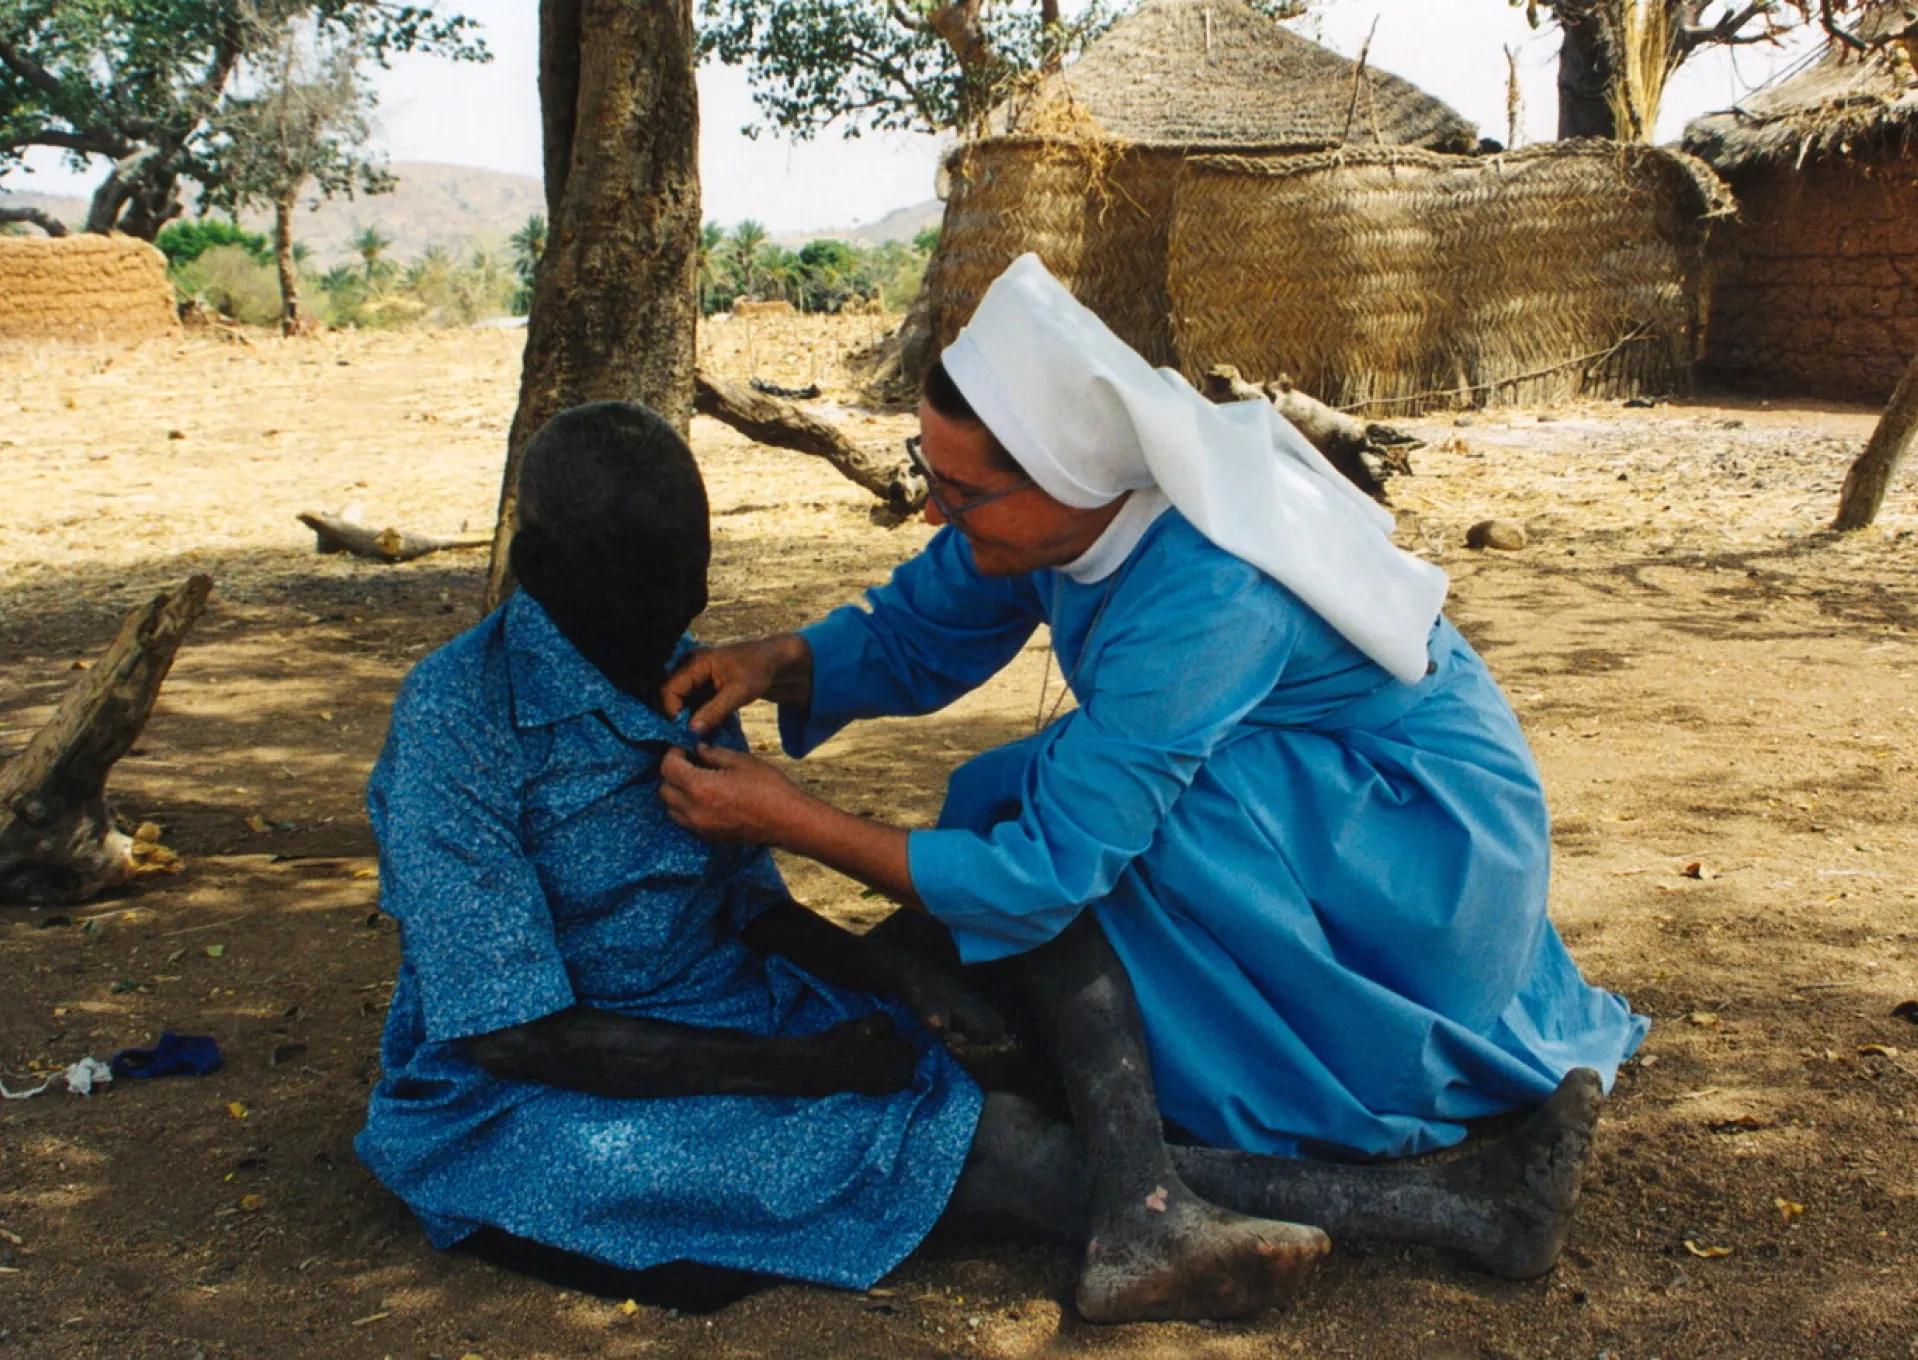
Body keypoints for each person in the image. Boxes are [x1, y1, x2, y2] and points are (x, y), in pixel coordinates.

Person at [658, 254, 1649, 1313]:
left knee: (1072, 827)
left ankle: (1308, 1066)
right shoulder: (1065, 501)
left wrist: (792, 820)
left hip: (1420, 860)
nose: (937, 511)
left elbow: (1045, 869)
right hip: (1326, 804)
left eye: (961, 492)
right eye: (927, 473)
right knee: (1041, 798)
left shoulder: (1209, 588)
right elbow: (923, 620)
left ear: (1062, 480)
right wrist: (779, 660)